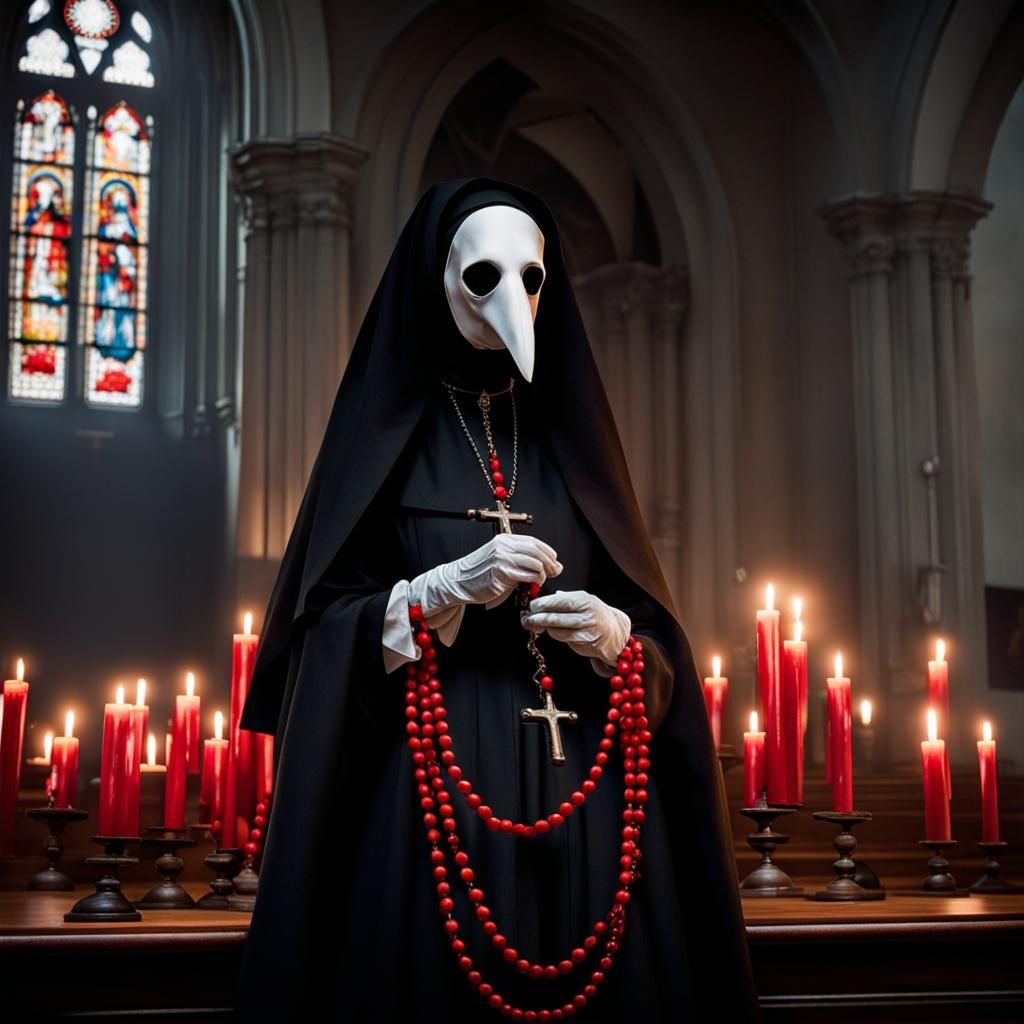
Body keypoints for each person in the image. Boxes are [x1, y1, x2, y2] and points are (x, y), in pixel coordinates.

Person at [233, 176, 761, 1021]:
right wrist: (431, 594)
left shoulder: (569, 440)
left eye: (531, 278)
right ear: (436, 278)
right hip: (429, 818)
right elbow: (323, 637)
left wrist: (619, 635)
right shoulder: (388, 437)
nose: (510, 298)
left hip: (588, 811)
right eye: (484, 276)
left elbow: (661, 655)